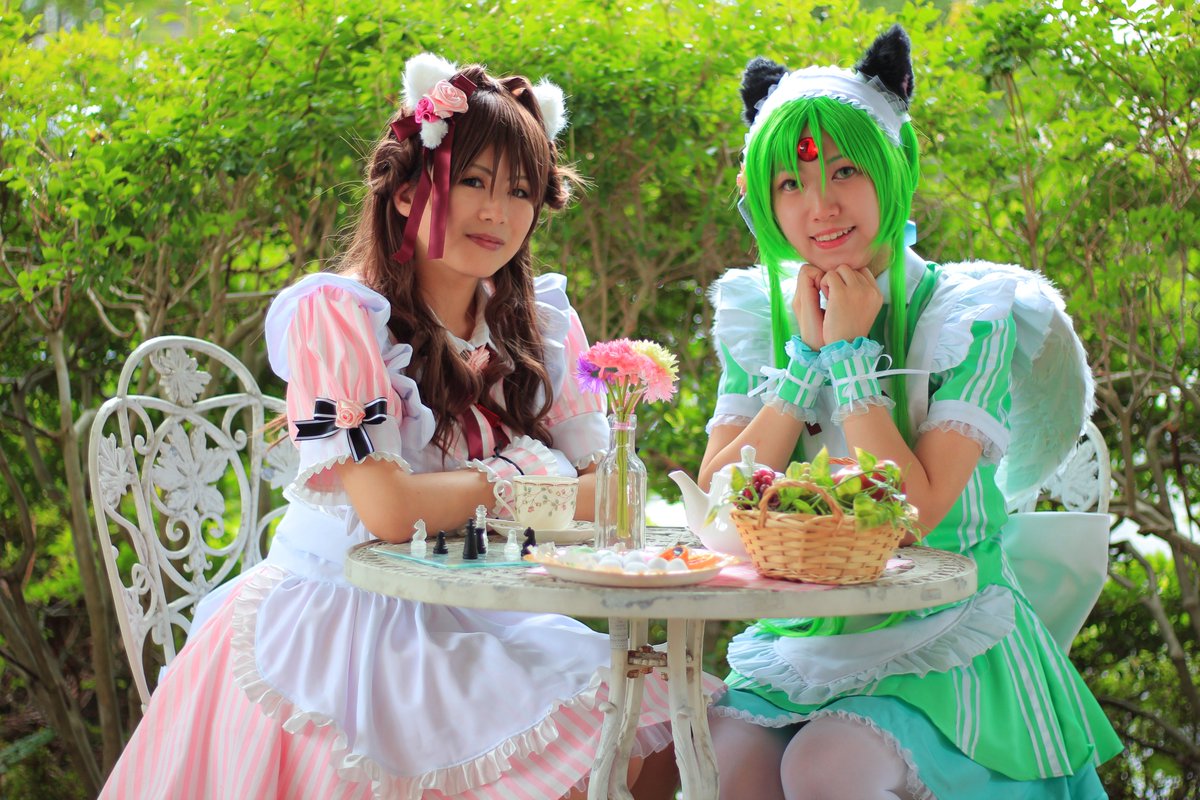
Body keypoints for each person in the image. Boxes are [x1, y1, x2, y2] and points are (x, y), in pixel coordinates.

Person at [99, 53, 712, 800]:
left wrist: (494, 492)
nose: (498, 212)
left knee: (665, 727)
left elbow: (604, 492)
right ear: (407, 191)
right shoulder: (340, 316)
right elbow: (388, 511)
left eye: (520, 190)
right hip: (345, 619)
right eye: (474, 181)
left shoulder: (541, 325)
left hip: (475, 608)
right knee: (595, 755)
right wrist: (520, 474)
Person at [699, 26, 1122, 800]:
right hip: (807, 635)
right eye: (790, 183)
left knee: (826, 767)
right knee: (724, 762)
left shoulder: (971, 313)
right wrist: (803, 362)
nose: (819, 205)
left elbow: (916, 514)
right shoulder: (761, 313)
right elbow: (719, 501)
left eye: (845, 170)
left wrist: (851, 359)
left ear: (894, 167)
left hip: (946, 628)